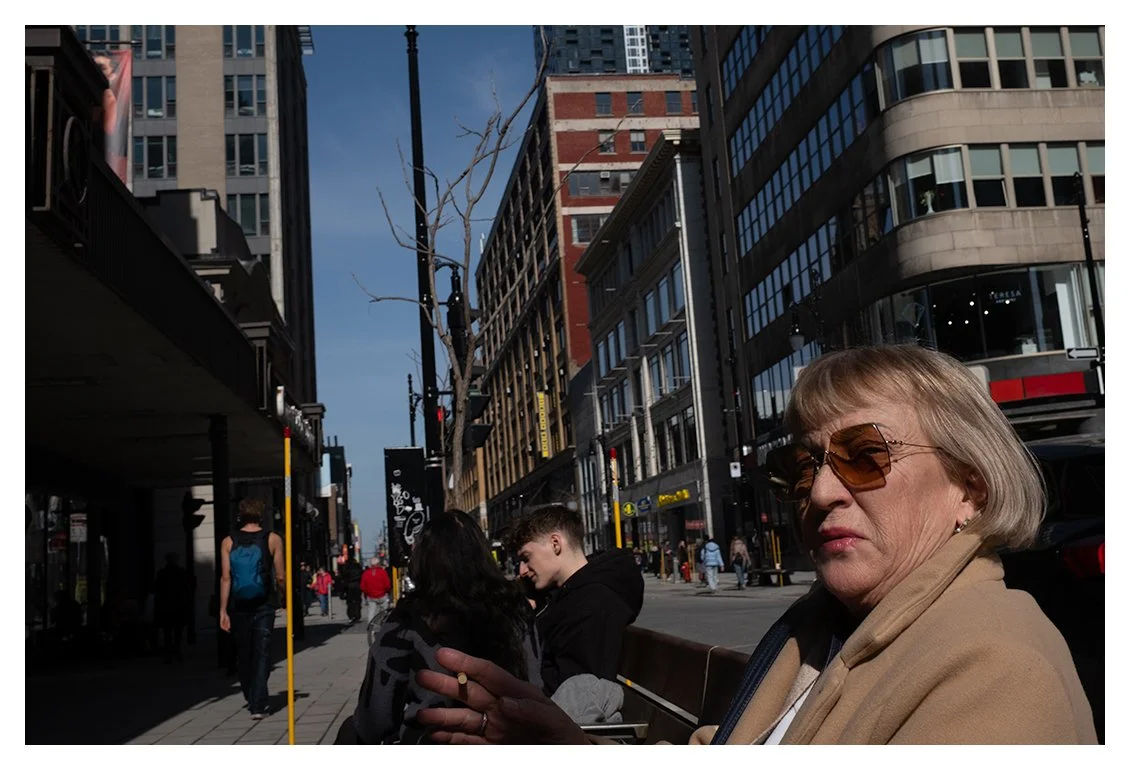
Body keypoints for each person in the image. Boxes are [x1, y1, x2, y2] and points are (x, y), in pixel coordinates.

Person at [412, 345, 1097, 744]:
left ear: (969, 489)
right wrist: (563, 743)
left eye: (864, 455)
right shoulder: (824, 629)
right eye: (802, 466)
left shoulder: (995, 666)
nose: (821, 492)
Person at [341, 510, 541, 744]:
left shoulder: (407, 619)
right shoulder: (515, 608)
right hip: (511, 741)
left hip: (432, 739)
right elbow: (535, 686)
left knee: (348, 732)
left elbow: (374, 720)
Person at [509, 503, 643, 696]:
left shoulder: (591, 603)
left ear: (556, 543)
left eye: (527, 557)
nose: (522, 570)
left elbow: (576, 694)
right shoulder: (568, 595)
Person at [219, 499, 285, 720]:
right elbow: (280, 575)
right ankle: (258, 703)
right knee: (262, 652)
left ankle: (251, 695)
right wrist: (284, 598)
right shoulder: (273, 539)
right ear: (261, 515)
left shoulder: (228, 541)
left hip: (238, 605)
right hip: (264, 603)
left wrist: (223, 610)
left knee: (244, 652)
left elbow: (226, 578)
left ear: (240, 515)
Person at [153, 552, 189, 662]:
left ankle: (169, 653)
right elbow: (186, 588)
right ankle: (177, 651)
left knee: (167, 631)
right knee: (177, 630)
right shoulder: (181, 572)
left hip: (167, 605)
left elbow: (158, 590)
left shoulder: (162, 573)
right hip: (178, 604)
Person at [361, 557, 392, 626]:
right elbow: (387, 585)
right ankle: (383, 624)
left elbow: (363, 586)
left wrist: (367, 592)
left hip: (371, 596)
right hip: (382, 595)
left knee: (371, 612)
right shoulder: (382, 572)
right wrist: (388, 591)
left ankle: (370, 627)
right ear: (378, 564)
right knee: (384, 611)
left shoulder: (366, 573)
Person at [341, 556, 364, 623]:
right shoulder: (358, 567)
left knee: (350, 602)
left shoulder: (346, 567)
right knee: (357, 601)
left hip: (349, 586)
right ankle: (357, 615)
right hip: (357, 585)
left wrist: (342, 591)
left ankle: (351, 616)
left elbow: (344, 579)